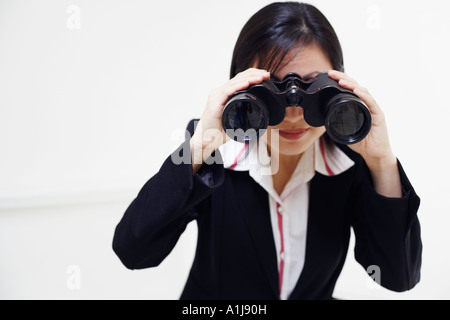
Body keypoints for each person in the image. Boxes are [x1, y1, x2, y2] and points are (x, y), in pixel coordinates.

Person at [112, 2, 422, 300]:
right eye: (272, 90)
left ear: (338, 84)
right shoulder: (216, 154)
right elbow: (134, 251)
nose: (293, 114)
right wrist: (200, 147)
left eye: (313, 88)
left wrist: (382, 162)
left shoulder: (348, 162)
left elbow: (397, 277)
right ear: (243, 85)